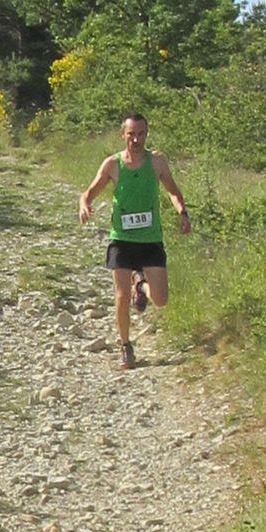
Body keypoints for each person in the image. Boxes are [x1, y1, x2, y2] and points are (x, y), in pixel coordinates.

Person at [78, 112, 191, 369]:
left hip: (150, 240)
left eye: (141, 134)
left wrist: (182, 213)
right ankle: (126, 346)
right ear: (123, 135)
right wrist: (84, 205)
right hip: (122, 239)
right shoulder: (112, 165)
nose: (136, 140)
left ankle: (140, 286)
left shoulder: (157, 162)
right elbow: (89, 192)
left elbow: (173, 191)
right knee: (120, 295)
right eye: (131, 134)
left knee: (161, 300)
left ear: (146, 134)